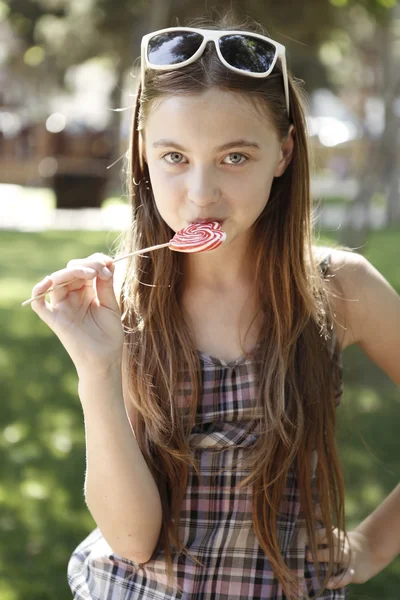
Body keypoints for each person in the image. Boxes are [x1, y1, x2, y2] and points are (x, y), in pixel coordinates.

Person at [29, 15, 400, 600]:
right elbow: (131, 539)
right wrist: (97, 367)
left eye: (234, 158)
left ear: (282, 154)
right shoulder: (122, 303)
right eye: (175, 156)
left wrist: (375, 543)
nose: (201, 193)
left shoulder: (337, 288)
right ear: (144, 158)